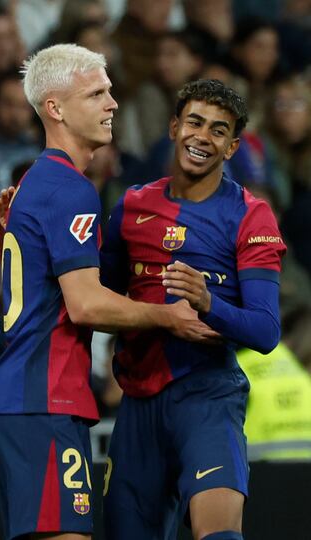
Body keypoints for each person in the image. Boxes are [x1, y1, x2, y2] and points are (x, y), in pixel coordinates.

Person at [0, 44, 216, 540]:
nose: (112, 103)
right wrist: (168, 318)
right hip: (42, 398)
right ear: (55, 108)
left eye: (109, 91)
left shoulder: (40, 184)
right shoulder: (66, 189)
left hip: (33, 398)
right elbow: (85, 304)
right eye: (96, 93)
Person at [100, 79, 286, 540]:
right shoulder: (131, 206)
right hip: (137, 403)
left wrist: (208, 303)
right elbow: (94, 294)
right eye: (195, 122)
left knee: (219, 534)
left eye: (219, 131)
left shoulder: (250, 215)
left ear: (232, 147)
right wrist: (24, 227)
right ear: (173, 127)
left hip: (207, 397)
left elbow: (265, 331)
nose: (203, 137)